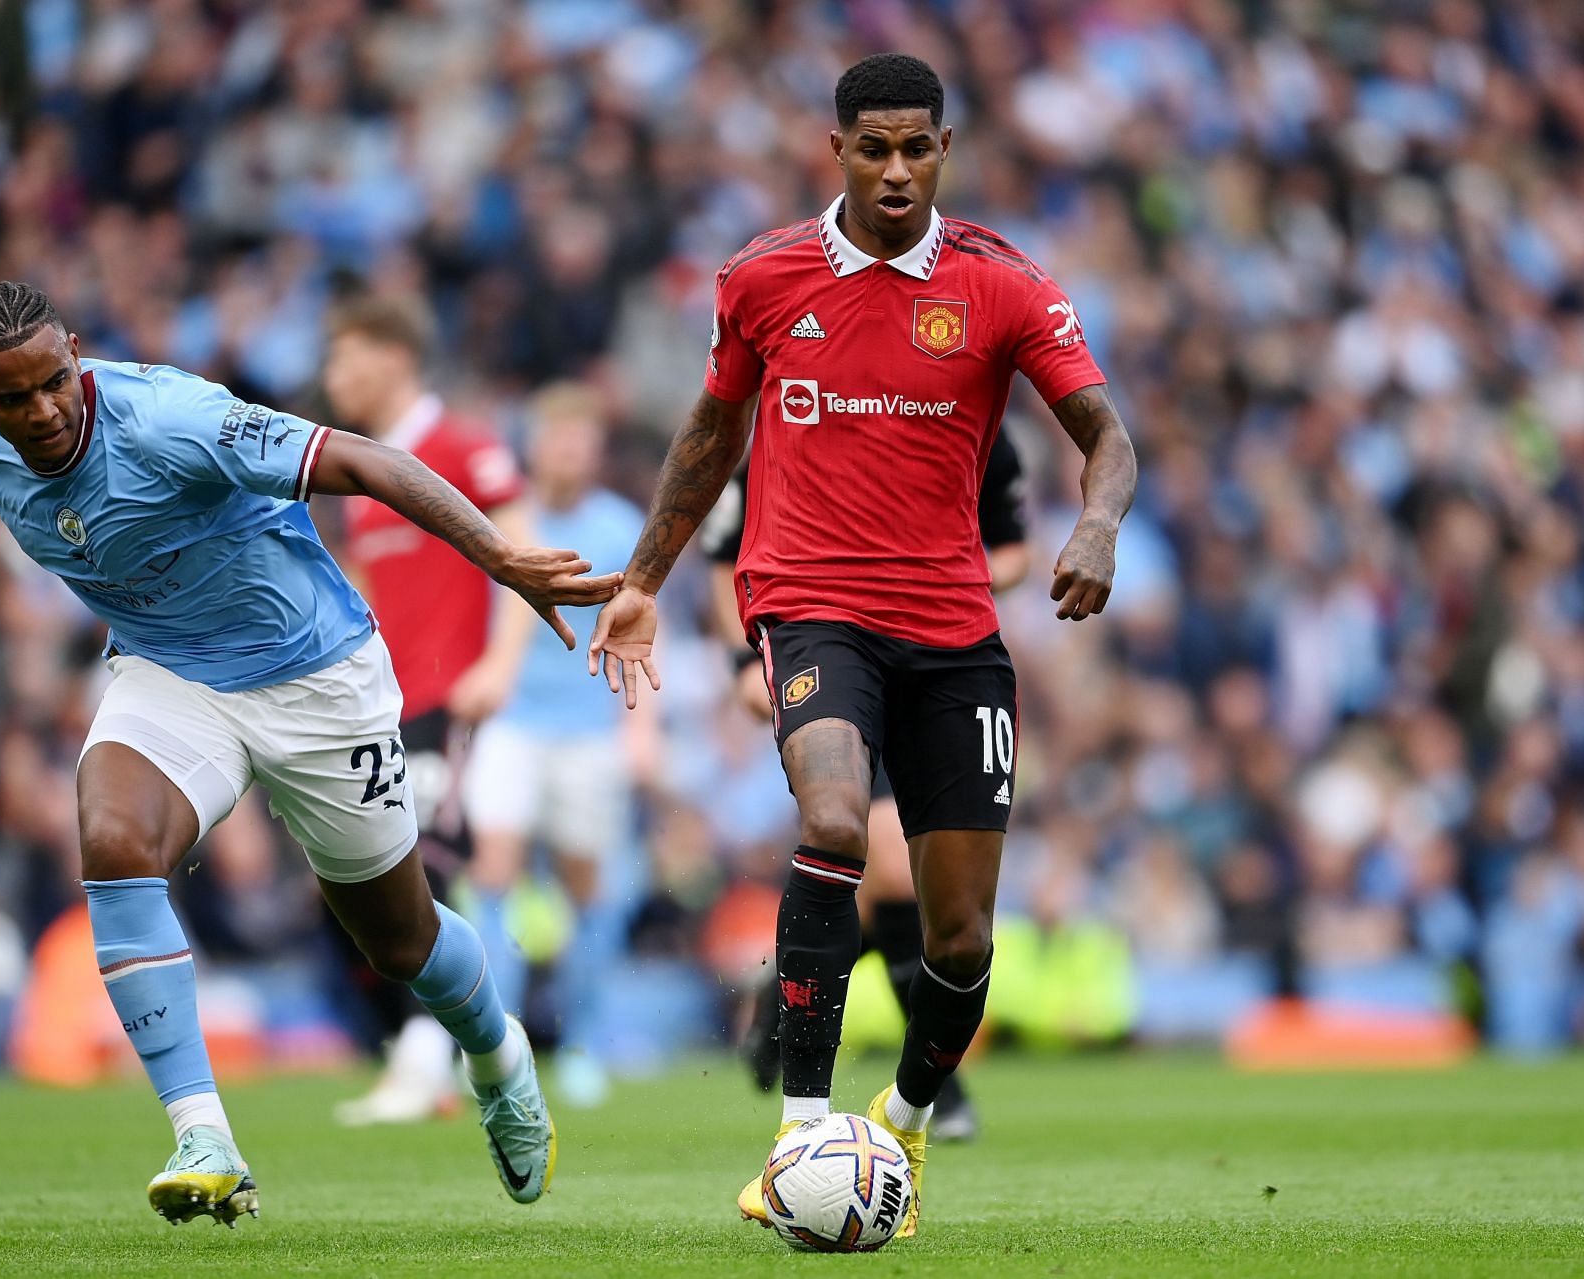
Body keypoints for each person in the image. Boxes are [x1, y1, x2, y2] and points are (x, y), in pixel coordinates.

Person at [0, 281, 617, 1225]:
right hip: (172, 676)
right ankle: (203, 1134)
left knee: (399, 938)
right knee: (115, 840)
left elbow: (363, 460)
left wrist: (504, 560)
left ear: (76, 353)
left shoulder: (174, 417)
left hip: (316, 675)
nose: (40, 411)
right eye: (10, 399)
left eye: (54, 382)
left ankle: (497, 1053)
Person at [588, 54, 1137, 1237]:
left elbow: (1107, 436)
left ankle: (904, 1118)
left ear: (945, 148)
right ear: (835, 150)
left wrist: (1095, 526)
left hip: (954, 634)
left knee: (961, 936)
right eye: (873, 148)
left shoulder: (1004, 286)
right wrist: (643, 581)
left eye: (918, 147)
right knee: (834, 820)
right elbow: (706, 436)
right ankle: (796, 1127)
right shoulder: (764, 279)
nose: (897, 170)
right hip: (810, 605)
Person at [704, 428, 1032, 1142]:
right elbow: (725, 556)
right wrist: (741, 656)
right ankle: (912, 1096)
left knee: (891, 890)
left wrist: (937, 563)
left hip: (940, 655)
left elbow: (1011, 549)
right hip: (831, 651)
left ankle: (780, 1000)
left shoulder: (974, 418)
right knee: (871, 854)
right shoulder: (800, 421)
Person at [322, 293, 534, 1127]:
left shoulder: (465, 446)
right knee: (354, 881)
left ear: (393, 357)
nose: (332, 376)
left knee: (428, 865)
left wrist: (502, 659)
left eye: (344, 357)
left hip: (458, 697)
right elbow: (368, 597)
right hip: (387, 707)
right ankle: (417, 1048)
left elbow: (518, 549)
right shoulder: (357, 471)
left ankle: (426, 1056)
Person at [460, 382, 647, 1108]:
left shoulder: (621, 525)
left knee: (584, 889)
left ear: (595, 451)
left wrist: (640, 725)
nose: (569, 452)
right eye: (558, 438)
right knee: (494, 866)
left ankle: (582, 1043)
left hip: (588, 728)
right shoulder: (504, 520)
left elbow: (639, 627)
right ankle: (495, 1041)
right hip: (511, 721)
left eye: (581, 440)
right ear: (534, 444)